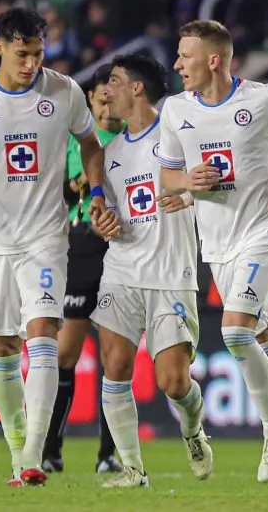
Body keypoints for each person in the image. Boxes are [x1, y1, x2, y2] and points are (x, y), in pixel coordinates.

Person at [156, 19, 268, 490]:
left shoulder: (264, 98)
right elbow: (167, 176)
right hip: (216, 243)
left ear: (213, 59)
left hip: (267, 230)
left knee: (235, 333)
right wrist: (186, 185)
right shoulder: (175, 111)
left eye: (185, 55)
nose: (177, 64)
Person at [0, 7, 109, 487]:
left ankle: (34, 457)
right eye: (22, 54)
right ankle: (19, 449)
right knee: (2, 346)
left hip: (45, 235)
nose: (31, 64)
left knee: (42, 335)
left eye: (38, 54)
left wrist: (96, 192)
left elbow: (92, 144)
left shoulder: (64, 91)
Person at [89, 54, 211, 488]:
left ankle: (193, 429)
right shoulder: (109, 154)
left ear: (138, 87)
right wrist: (103, 221)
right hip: (122, 269)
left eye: (115, 81)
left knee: (173, 382)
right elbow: (108, 214)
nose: (107, 91)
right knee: (115, 363)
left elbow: (215, 177)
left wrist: (198, 190)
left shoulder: (178, 132)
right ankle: (132, 469)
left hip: (171, 274)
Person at [41, 64, 124, 475]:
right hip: (80, 249)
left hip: (121, 251)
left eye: (114, 90)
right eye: (100, 93)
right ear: (89, 100)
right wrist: (70, 187)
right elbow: (47, 191)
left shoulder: (134, 140)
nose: (107, 98)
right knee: (65, 354)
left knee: (114, 357)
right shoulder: (74, 143)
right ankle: (51, 450)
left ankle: (109, 454)